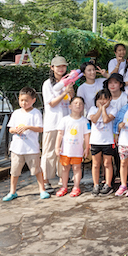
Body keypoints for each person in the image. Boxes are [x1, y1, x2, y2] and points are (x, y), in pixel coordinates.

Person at [3, 87, 50, 201]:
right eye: (21, 100)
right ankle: (12, 191)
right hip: (17, 148)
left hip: (31, 148)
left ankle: (42, 189)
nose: (23, 103)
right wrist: (16, 130)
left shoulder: (36, 113)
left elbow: (40, 128)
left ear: (33, 100)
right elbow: (10, 129)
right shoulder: (16, 113)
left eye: (26, 100)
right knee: (14, 171)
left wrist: (28, 127)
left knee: (36, 170)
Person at [41, 56, 73, 192]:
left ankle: (63, 177)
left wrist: (70, 90)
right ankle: (45, 180)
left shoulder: (68, 82)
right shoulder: (47, 84)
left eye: (63, 66)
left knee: (64, 151)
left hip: (66, 122)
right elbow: (52, 103)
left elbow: (71, 100)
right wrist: (64, 92)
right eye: (58, 66)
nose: (61, 69)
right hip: (52, 123)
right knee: (49, 152)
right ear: (52, 67)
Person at [54, 96, 90, 197]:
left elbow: (86, 136)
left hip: (77, 151)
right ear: (70, 106)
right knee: (65, 168)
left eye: (80, 104)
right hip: (65, 150)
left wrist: (87, 148)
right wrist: (57, 147)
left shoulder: (85, 121)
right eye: (75, 103)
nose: (78, 105)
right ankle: (64, 187)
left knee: (77, 168)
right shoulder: (64, 120)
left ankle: (76, 187)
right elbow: (60, 134)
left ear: (83, 107)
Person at [88, 89, 117, 196]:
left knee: (107, 163)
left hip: (108, 141)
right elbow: (94, 120)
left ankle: (108, 185)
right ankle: (96, 184)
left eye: (105, 98)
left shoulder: (113, 109)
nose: (102, 101)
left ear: (110, 99)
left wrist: (103, 108)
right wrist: (100, 109)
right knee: (95, 164)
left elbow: (106, 120)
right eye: (100, 99)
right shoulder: (92, 109)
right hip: (95, 141)